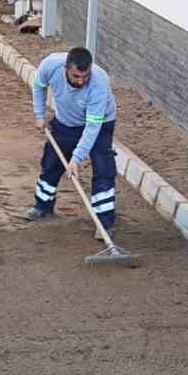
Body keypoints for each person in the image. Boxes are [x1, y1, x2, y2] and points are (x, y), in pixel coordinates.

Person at [23, 47, 119, 237]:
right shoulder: (50, 65)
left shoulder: (99, 83)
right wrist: (39, 115)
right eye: (76, 76)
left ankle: (104, 223)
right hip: (66, 121)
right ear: (66, 69)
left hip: (101, 124)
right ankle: (43, 206)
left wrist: (76, 158)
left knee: (103, 168)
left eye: (85, 76)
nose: (81, 81)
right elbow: (39, 85)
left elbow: (92, 127)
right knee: (51, 162)